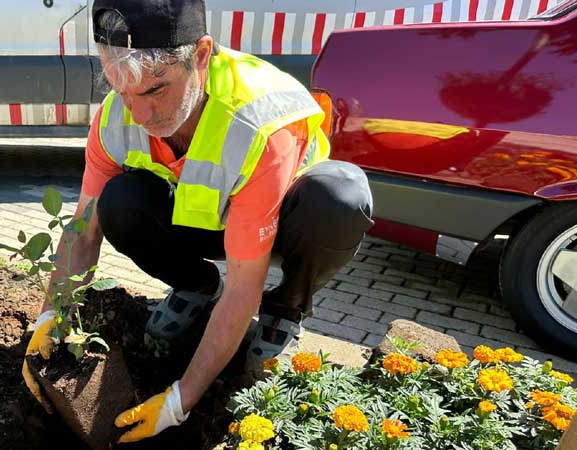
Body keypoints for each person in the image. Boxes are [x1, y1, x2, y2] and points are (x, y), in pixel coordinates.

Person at [23, 0, 374, 444]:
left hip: (288, 221)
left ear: (202, 55)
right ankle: (196, 287)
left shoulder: (258, 122)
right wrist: (53, 312)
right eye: (120, 88)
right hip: (209, 217)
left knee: (338, 200)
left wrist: (181, 399)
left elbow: (246, 282)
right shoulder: (116, 116)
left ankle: (285, 309)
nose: (140, 114)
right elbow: (84, 229)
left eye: (155, 90)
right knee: (118, 201)